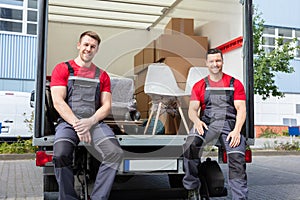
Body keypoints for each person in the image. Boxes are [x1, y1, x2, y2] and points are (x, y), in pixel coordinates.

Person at [50, 31, 124, 200]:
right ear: (79, 45)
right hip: (68, 122)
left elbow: (106, 106)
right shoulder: (63, 69)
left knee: (114, 152)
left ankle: (98, 197)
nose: (88, 49)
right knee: (61, 154)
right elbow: (58, 102)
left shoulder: (102, 75)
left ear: (97, 50)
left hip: (95, 123)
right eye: (86, 45)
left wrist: (90, 122)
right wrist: (78, 124)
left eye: (93, 46)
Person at [182, 48, 248, 200]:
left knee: (237, 156)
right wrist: (197, 121)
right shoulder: (199, 85)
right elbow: (192, 109)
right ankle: (192, 187)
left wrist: (237, 131)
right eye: (211, 61)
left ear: (222, 62)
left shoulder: (235, 83)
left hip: (229, 124)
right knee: (190, 144)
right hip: (207, 123)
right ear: (206, 63)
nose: (215, 64)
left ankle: (240, 197)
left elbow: (241, 109)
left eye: (218, 60)